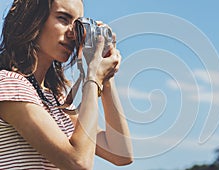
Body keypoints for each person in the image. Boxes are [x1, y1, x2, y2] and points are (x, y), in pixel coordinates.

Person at [0, 0, 133, 169]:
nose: (73, 33)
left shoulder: (54, 98)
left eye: (77, 25)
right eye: (63, 19)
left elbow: (121, 153)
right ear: (32, 19)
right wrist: (93, 78)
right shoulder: (9, 84)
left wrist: (106, 73)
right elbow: (78, 162)